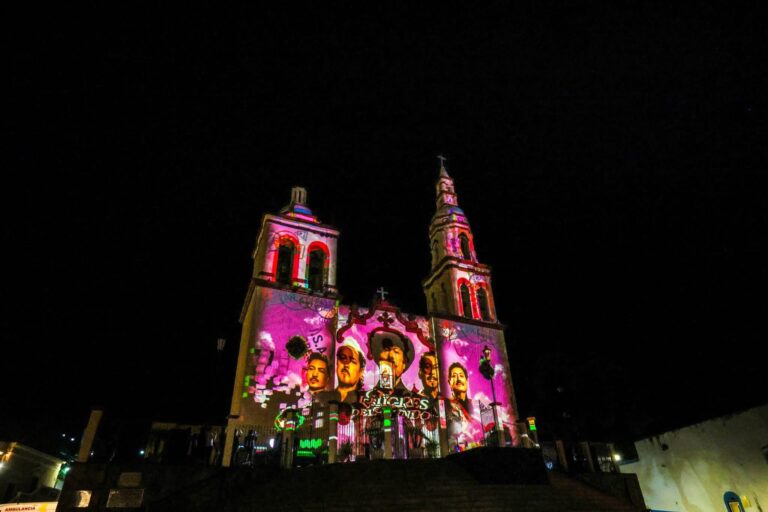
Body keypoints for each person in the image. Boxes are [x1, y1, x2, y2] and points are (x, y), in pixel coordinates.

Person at [367, 330, 415, 396]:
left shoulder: (410, 397)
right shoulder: (368, 396)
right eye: (386, 349)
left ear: (404, 363)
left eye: (396, 351)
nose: (391, 356)